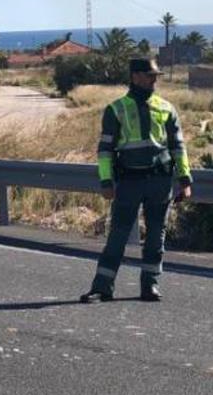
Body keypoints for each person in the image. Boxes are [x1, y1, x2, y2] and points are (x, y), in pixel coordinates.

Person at [81, 57, 192, 303]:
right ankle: (102, 287)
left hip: (159, 182)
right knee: (118, 235)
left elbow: (178, 146)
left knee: (156, 236)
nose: (154, 80)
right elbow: (105, 150)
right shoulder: (116, 109)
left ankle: (150, 285)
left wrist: (185, 180)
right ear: (135, 77)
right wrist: (106, 182)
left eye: (155, 76)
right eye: (150, 75)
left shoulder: (166, 108)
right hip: (129, 181)